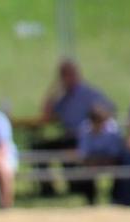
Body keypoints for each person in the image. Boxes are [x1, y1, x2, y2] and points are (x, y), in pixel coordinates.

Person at [35, 59, 116, 197]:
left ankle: (78, 189)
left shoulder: (89, 93)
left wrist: (93, 124)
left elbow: (110, 109)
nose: (67, 78)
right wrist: (54, 89)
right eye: (63, 75)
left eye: (69, 74)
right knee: (38, 147)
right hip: (68, 136)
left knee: (74, 151)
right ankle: (48, 190)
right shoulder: (63, 96)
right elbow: (46, 114)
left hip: (86, 137)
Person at [76, 103, 130, 205]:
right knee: (84, 171)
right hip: (92, 162)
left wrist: (104, 162)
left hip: (110, 161)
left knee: (121, 165)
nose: (99, 126)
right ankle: (90, 201)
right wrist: (94, 162)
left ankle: (116, 199)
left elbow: (115, 154)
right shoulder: (85, 129)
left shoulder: (112, 130)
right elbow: (83, 155)